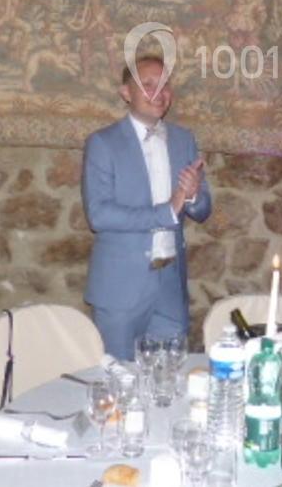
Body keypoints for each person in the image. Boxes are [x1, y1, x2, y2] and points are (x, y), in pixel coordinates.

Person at [82, 55, 211, 360]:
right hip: (121, 287)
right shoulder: (103, 143)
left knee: (169, 375)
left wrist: (193, 196)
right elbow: (99, 215)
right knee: (118, 377)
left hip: (170, 284)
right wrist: (166, 211)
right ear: (126, 93)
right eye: (148, 84)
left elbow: (203, 209)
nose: (159, 92)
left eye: (164, 85)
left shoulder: (183, 139)